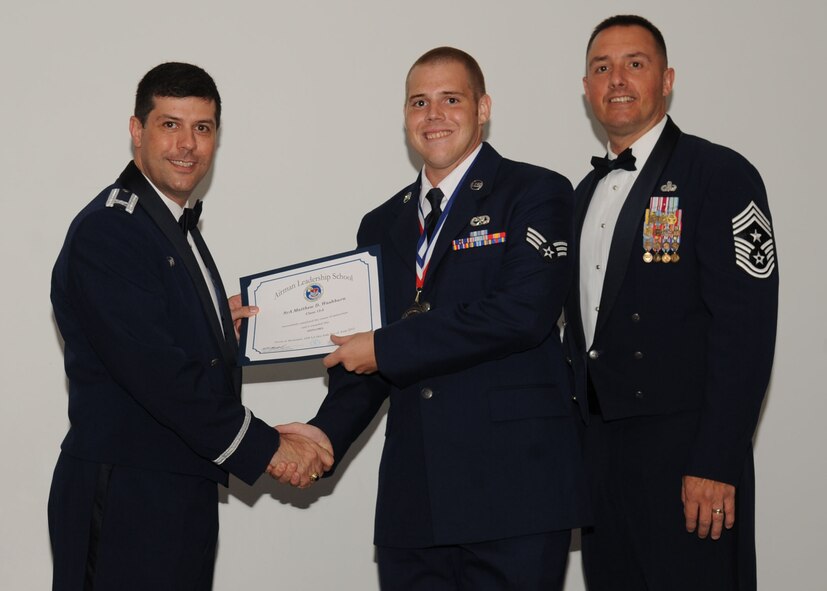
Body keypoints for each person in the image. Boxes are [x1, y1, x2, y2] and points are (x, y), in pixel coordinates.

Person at [278, 47, 588, 590]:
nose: (434, 114)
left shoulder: (536, 192)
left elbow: (523, 314)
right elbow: (365, 354)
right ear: (404, 117)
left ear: (483, 107)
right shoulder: (381, 224)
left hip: (514, 493)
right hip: (415, 498)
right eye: (419, 102)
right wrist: (322, 435)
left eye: (451, 99)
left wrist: (384, 348)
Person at [48, 62, 333, 591]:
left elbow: (154, 330)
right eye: (170, 124)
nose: (187, 144)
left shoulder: (168, 223)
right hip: (127, 496)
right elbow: (161, 376)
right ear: (137, 131)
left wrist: (212, 324)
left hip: (178, 486)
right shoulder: (112, 230)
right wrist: (267, 446)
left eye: (202, 128)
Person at [565, 15, 778, 590]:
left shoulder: (721, 174)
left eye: (635, 64)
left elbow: (747, 331)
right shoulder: (581, 195)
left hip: (687, 454)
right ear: (586, 88)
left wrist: (716, 459)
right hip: (604, 459)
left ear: (667, 80)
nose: (617, 80)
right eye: (601, 68)